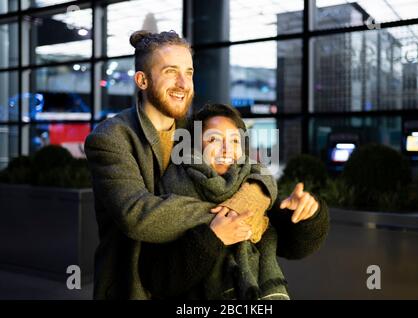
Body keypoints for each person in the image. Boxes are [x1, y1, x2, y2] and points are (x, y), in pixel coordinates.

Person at [84, 30, 325, 300]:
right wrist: (232, 213)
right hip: (134, 287)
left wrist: (257, 193)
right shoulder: (111, 137)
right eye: (170, 71)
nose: (183, 83)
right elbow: (135, 213)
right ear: (142, 80)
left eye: (188, 72)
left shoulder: (194, 129)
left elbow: (247, 167)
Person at [138, 103, 329, 300]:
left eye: (235, 140)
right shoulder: (169, 191)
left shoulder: (255, 191)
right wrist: (213, 238)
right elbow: (157, 280)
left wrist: (307, 215)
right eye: (213, 139)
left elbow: (295, 247)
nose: (227, 149)